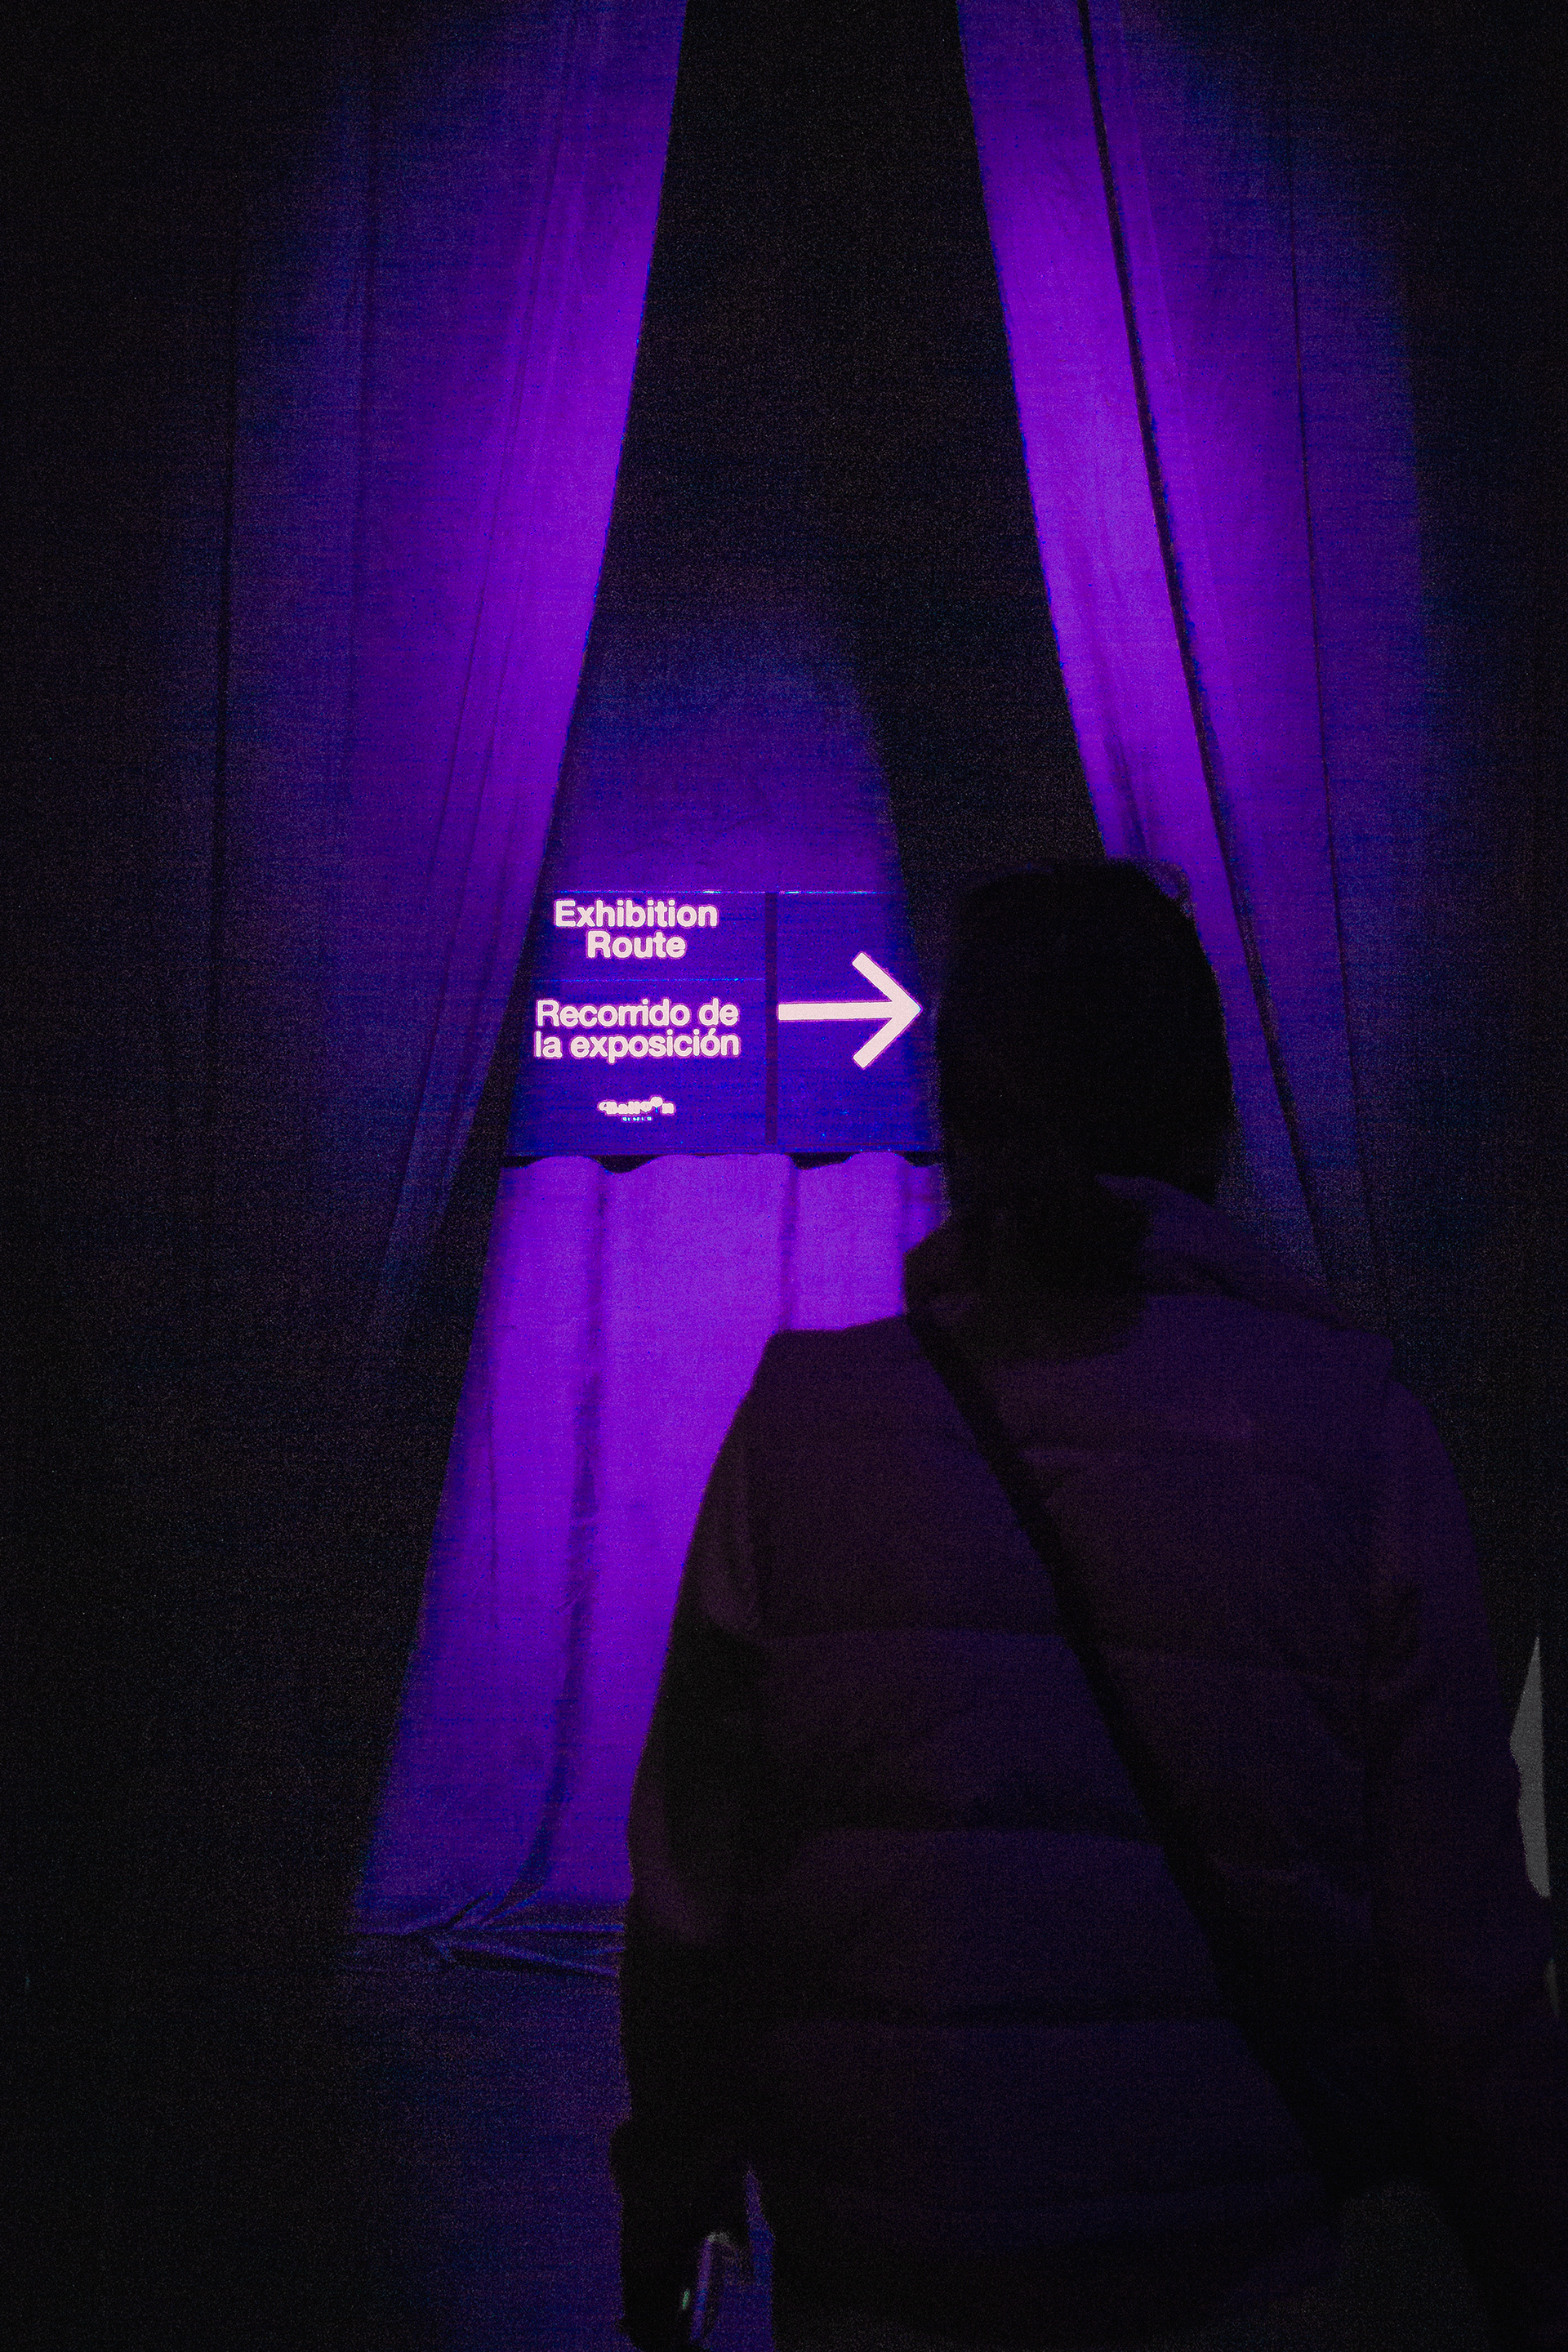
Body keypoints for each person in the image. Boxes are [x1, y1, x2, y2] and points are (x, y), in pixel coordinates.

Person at [612, 861, 1568, 2352]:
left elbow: (691, 1901)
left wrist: (672, 2181)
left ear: (961, 1117)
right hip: (1236, 2276)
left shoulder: (798, 1432)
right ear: (1212, 1117)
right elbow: (1461, 1959)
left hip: (880, 2276)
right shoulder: (1362, 1437)